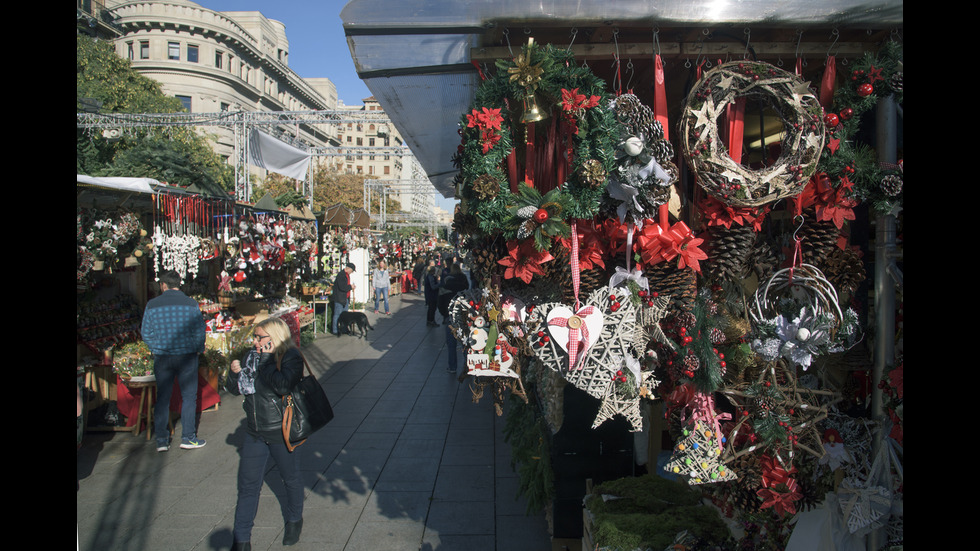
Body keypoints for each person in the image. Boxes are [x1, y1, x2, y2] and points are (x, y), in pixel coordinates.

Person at [225, 317, 305, 550]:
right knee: (248, 486)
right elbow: (234, 389)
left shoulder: (290, 356)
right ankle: (241, 539)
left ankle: (294, 520)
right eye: (255, 337)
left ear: (274, 337)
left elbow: (282, 386)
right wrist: (233, 373)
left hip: (282, 430)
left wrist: (267, 360)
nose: (255, 341)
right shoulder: (251, 356)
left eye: (259, 337)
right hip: (255, 432)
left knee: (290, 478)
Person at [141, 270, 207, 452]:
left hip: (163, 357)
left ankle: (162, 440)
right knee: (189, 397)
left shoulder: (152, 304)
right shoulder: (191, 303)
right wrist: (197, 348)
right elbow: (200, 331)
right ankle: (188, 437)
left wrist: (157, 347)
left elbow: (146, 333)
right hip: (187, 356)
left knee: (162, 398)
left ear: (163, 285)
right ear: (179, 284)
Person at [438, 263, 470, 374]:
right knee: (465, 342)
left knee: (451, 344)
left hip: (450, 317)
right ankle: (468, 365)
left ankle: (452, 366)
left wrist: (445, 314)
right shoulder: (463, 283)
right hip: (462, 316)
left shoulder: (445, 286)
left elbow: (440, 303)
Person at [330, 263, 355, 335]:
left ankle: (344, 329)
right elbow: (342, 287)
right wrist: (350, 287)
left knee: (345, 315)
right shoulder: (341, 275)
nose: (352, 272)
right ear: (348, 268)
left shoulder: (347, 275)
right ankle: (335, 330)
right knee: (337, 314)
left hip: (345, 298)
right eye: (352, 270)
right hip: (339, 298)